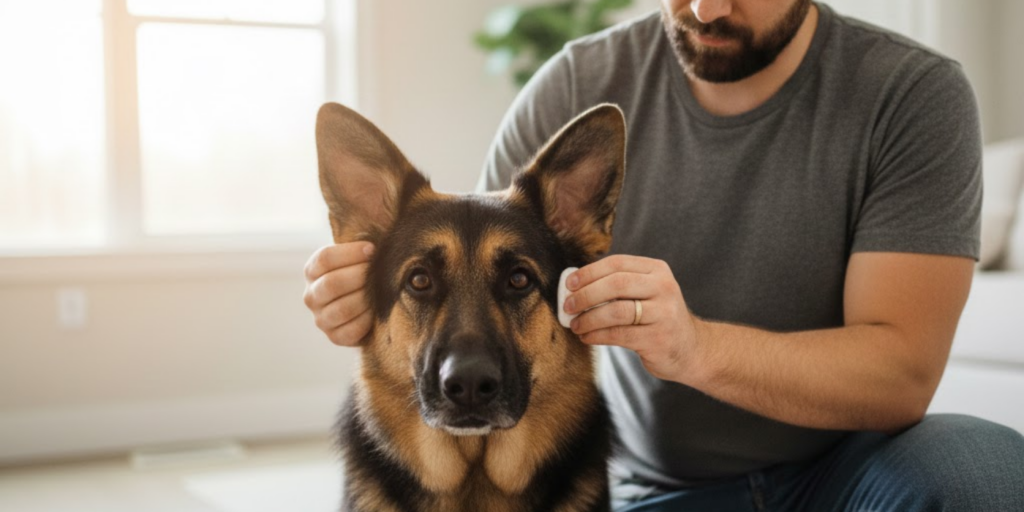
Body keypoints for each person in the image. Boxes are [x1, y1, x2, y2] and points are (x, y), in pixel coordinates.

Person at [304, 0, 1024, 510]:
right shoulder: (578, 85)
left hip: (848, 479)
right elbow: (480, 248)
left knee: (983, 469)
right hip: (657, 492)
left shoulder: (911, 96)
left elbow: (900, 376)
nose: (707, 7)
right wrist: (361, 294)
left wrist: (695, 348)